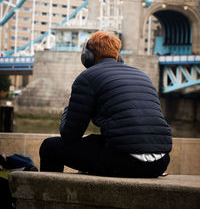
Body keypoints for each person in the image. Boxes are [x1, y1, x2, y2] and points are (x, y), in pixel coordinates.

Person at [39, 31, 172, 177]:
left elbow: (70, 135)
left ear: (87, 56)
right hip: (160, 162)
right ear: (118, 56)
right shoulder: (142, 75)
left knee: (49, 147)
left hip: (125, 162)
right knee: (96, 141)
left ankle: (48, 198)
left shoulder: (87, 77)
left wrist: (69, 108)